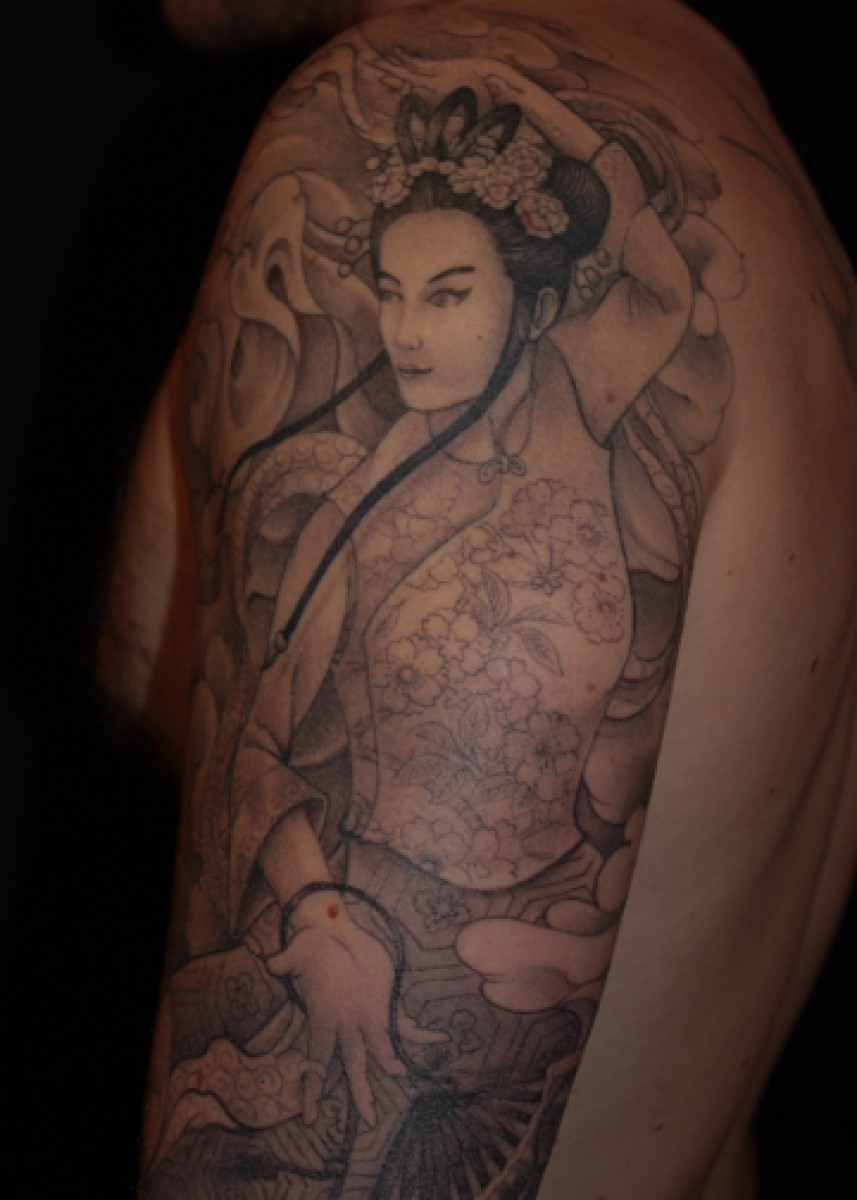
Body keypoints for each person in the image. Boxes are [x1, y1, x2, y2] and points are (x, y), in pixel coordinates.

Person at [99, 2, 857, 1197]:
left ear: (533, 299)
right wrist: (322, 917)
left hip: (446, 1039)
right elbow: (261, 753)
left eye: (448, 293)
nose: (401, 333)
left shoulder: (440, 102)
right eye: (388, 292)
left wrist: (522, 119)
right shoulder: (780, 207)